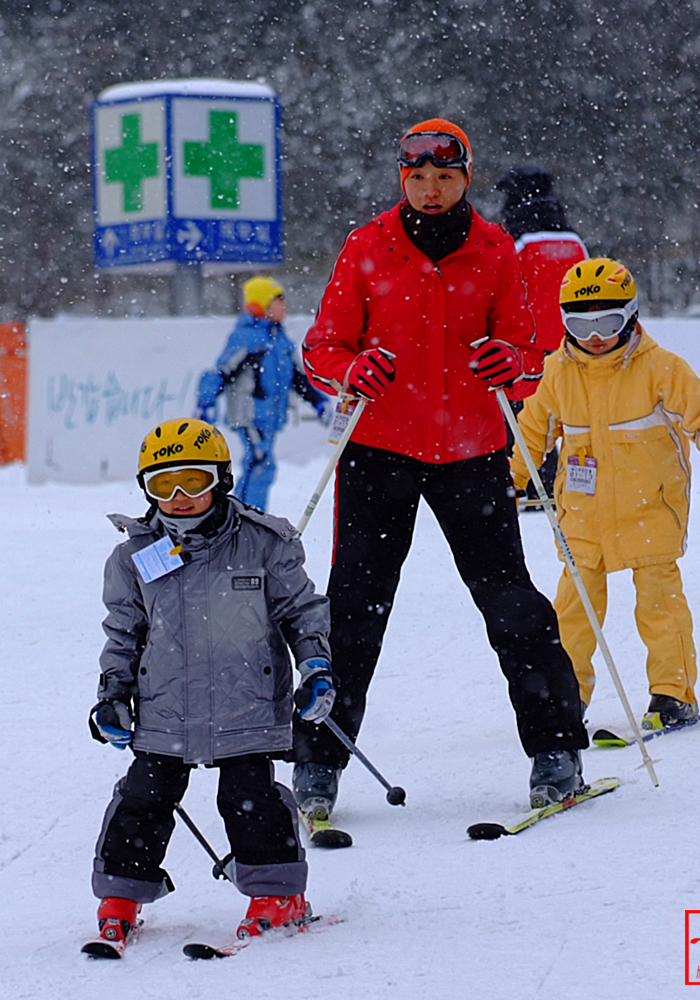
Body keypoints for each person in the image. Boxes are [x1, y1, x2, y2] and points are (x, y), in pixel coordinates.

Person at [295, 118, 589, 822]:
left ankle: (556, 750)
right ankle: (317, 761)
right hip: (379, 450)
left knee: (511, 603)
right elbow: (322, 347)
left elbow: (527, 348)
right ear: (403, 178)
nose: (430, 190)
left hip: (474, 452)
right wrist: (351, 368)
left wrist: (510, 362)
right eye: (417, 177)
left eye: (445, 177)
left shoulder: (495, 250)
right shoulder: (367, 247)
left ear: (466, 177)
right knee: (353, 612)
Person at [85, 417, 334, 953]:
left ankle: (277, 897)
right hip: (164, 710)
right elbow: (123, 634)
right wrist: (111, 695)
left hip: (247, 706)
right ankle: (121, 896)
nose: (178, 499)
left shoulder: (264, 543)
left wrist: (315, 665)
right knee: (143, 798)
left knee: (250, 798)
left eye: (193, 482)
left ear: (221, 479)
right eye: (162, 486)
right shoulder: (134, 556)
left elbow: (302, 612)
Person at [510, 258, 700, 726]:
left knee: (659, 604)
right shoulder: (557, 373)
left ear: (628, 314)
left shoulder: (661, 368)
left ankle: (673, 693)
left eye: (606, 322)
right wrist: (508, 483)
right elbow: (529, 435)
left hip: (651, 509)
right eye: (578, 324)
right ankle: (567, 699)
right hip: (582, 514)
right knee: (573, 611)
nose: (593, 336)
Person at [196, 276, 328, 513]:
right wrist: (206, 401)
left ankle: (243, 515)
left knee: (258, 464)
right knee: (261, 462)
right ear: (261, 305)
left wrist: (318, 401)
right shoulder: (247, 338)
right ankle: (249, 517)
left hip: (269, 417)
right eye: (278, 301)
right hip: (249, 415)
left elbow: (299, 378)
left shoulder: (280, 339)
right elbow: (221, 371)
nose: (284, 307)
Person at [496, 166, 588, 506]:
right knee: (561, 416)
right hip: (571, 342)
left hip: (526, 346)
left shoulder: (514, 239)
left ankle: (524, 482)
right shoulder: (573, 239)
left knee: (521, 418)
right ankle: (559, 483)